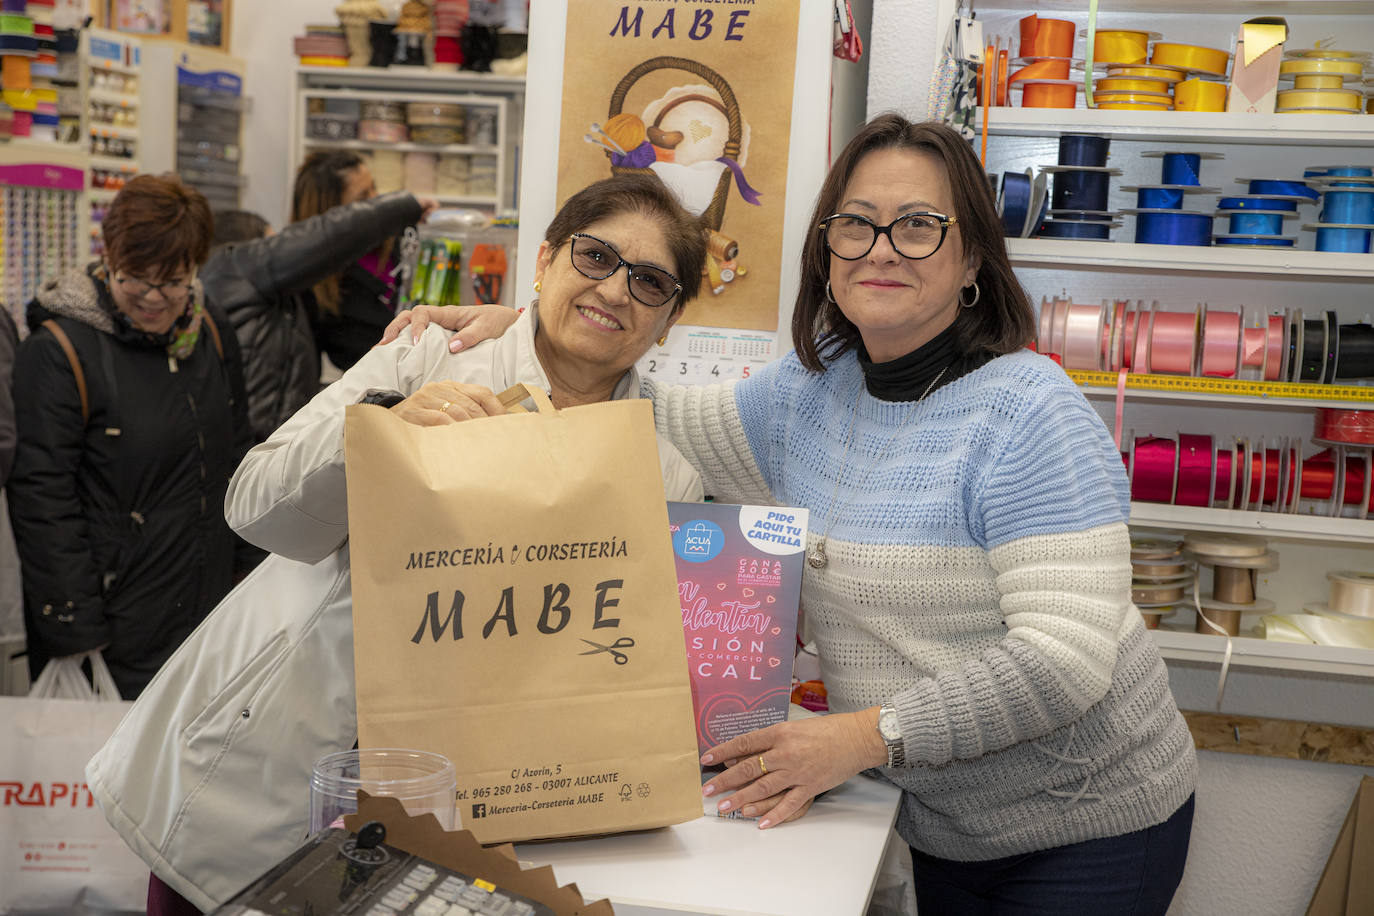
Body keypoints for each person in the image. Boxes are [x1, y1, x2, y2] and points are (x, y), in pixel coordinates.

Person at [386, 115, 1199, 915]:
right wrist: (542, 334)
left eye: (918, 226)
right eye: (856, 224)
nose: (881, 248)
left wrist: (858, 738)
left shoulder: (1030, 413)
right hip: (943, 824)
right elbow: (651, 415)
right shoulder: (813, 393)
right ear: (827, 250)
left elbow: (1064, 661)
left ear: (972, 259)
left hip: (1089, 820)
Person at [86, 172, 708, 913]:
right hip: (283, 755)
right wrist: (380, 434)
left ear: (669, 319)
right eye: (596, 258)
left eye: (649, 282)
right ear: (544, 263)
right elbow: (254, 509)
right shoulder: (426, 357)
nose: (613, 292)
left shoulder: (662, 470)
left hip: (484, 807)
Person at [7, 174, 253, 700]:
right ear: (108, 257)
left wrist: (245, 573)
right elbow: (41, 498)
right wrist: (74, 630)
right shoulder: (59, 352)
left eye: (172, 280)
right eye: (134, 277)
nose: (152, 297)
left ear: (196, 267)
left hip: (204, 611)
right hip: (112, 626)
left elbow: (236, 454)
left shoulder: (209, 331)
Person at [201, 183, 436, 443]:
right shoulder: (240, 267)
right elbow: (330, 235)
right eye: (363, 192)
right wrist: (405, 205)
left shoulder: (269, 300)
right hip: (259, 444)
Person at [292, 150, 421, 372]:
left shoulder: (402, 237)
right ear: (331, 213)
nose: (377, 200)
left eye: (374, 187)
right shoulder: (310, 288)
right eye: (363, 197)